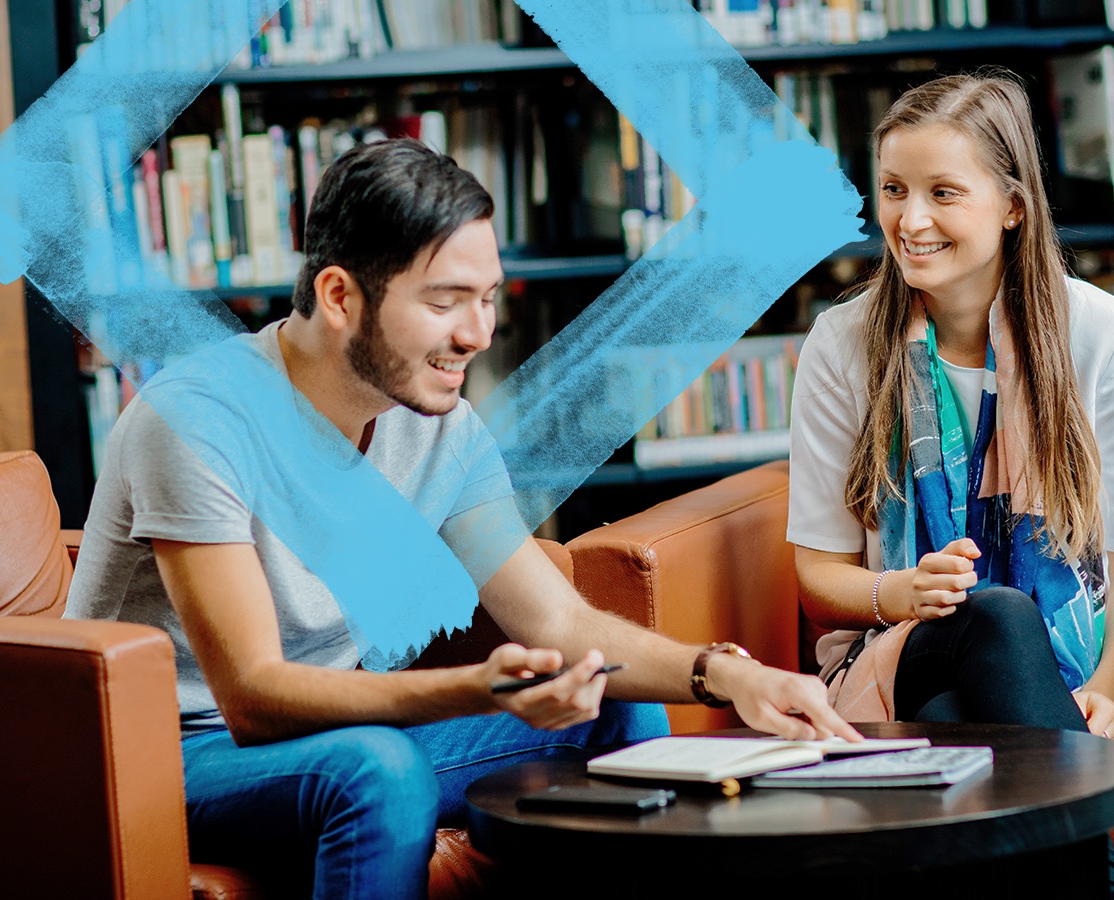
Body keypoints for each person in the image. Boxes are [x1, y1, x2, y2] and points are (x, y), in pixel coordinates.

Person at [66, 138, 859, 899]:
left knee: (615, 703)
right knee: (375, 771)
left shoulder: (436, 421)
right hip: (168, 752)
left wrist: (728, 674)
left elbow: (553, 620)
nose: (478, 334)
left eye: (486, 298)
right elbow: (253, 695)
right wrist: (481, 689)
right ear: (340, 296)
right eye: (446, 302)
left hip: (316, 745)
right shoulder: (196, 419)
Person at [786, 71, 1114, 898]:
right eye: (893, 189)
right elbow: (819, 576)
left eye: (943, 192)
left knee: (952, 741)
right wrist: (898, 590)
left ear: (1011, 205)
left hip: (1056, 671)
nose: (911, 219)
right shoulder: (841, 344)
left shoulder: (1102, 335)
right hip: (900, 653)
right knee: (992, 609)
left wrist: (1107, 692)